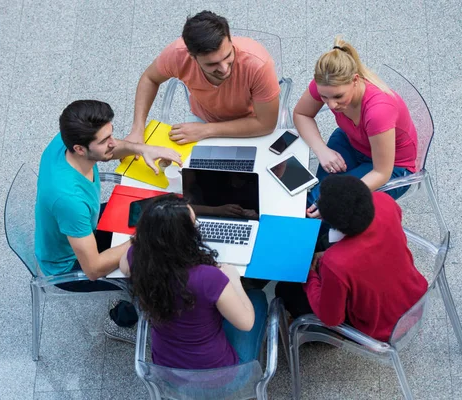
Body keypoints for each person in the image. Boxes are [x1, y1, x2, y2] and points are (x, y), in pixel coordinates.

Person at [35, 100, 182, 342]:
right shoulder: (68, 199)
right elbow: (92, 268)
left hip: (85, 225)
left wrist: (142, 149)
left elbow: (112, 148)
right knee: (154, 268)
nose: (112, 143)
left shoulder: (65, 140)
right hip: (70, 264)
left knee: (154, 209)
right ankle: (121, 321)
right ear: (80, 149)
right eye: (104, 141)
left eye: (110, 134)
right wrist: (139, 240)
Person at [118, 194, 268, 368]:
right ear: (184, 237)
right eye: (193, 224)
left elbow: (124, 265)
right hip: (220, 374)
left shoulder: (138, 258)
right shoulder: (208, 277)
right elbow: (246, 323)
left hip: (167, 371)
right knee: (257, 297)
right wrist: (234, 280)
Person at [275, 175, 428, 342]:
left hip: (380, 328)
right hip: (415, 299)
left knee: (285, 290)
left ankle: (320, 338)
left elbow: (331, 318)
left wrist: (310, 276)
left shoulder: (335, 263)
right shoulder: (384, 201)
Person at [293, 35, 418, 216]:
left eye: (338, 97)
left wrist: (340, 198)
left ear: (355, 80)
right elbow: (301, 113)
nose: (331, 105)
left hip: (392, 167)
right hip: (353, 140)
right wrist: (321, 150)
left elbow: (381, 172)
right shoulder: (327, 84)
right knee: (316, 199)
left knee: (328, 207)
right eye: (324, 97)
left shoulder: (378, 112)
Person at [125, 10, 280, 145]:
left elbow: (266, 124)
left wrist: (207, 130)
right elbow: (150, 78)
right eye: (212, 64)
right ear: (192, 57)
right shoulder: (178, 54)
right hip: (202, 119)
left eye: (227, 56)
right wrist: (137, 129)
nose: (224, 68)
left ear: (230, 40)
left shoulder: (258, 64)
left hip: (249, 125)